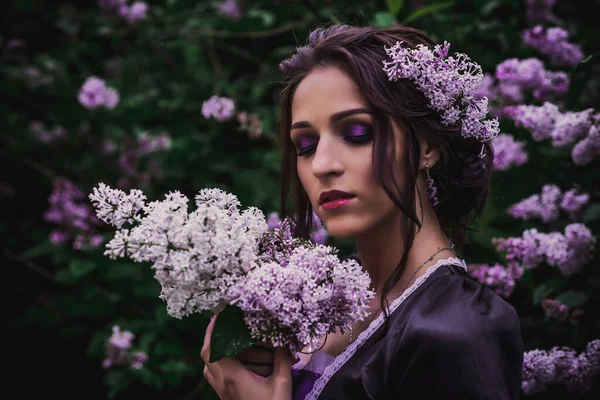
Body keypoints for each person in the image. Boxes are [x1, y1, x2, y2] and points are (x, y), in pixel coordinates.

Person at [201, 25, 524, 400]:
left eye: (356, 133)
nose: (322, 164)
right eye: (305, 145)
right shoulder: (310, 309)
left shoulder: (458, 329)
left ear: (426, 146)